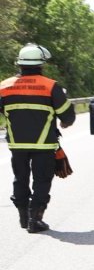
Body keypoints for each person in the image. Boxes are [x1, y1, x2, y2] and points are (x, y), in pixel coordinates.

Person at [1, 44, 76, 233]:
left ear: (20, 64)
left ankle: (23, 218)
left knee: (20, 178)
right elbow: (68, 116)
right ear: (41, 65)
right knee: (42, 180)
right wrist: (65, 122)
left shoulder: (4, 86)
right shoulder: (50, 86)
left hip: (16, 144)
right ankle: (35, 219)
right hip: (44, 145)